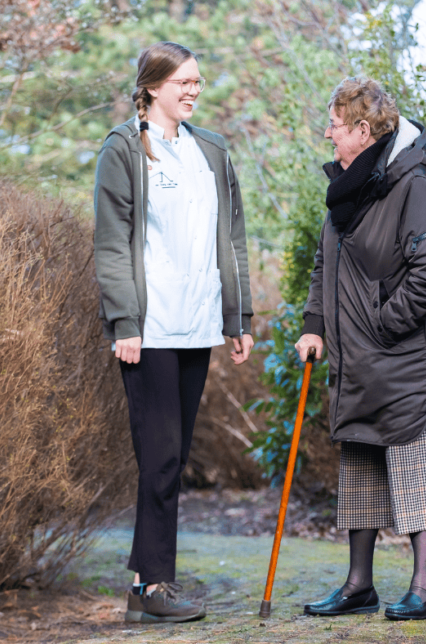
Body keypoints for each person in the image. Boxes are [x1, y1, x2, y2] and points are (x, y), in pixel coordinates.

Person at [93, 41, 254, 623]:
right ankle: (153, 587)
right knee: (159, 456)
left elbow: (230, 240)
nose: (192, 91)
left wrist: (237, 319)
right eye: (182, 82)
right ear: (153, 85)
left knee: (172, 457)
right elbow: (112, 244)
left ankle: (145, 586)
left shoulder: (210, 151)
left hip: (198, 324)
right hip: (150, 326)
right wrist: (124, 322)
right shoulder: (123, 149)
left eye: (197, 82)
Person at [295, 77, 426, 621]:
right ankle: (358, 585)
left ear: (363, 131)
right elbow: (328, 263)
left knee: (413, 464)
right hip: (360, 357)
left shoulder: (414, 185)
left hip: (410, 356)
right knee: (361, 462)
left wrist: (382, 325)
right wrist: (316, 323)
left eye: (335, 126)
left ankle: (425, 588)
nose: (328, 134)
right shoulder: (348, 187)